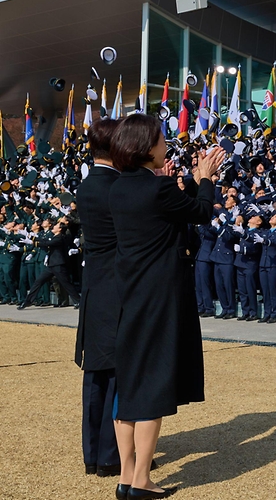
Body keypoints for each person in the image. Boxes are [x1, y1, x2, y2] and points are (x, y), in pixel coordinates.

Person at [109, 113, 224, 498]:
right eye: (160, 140)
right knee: (153, 384)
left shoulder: (120, 188)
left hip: (131, 293)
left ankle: (127, 476)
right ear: (145, 146)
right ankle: (142, 479)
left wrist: (184, 183)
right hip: (160, 296)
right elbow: (201, 213)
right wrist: (205, 177)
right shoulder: (157, 190)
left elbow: (169, 209)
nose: (166, 145)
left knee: (128, 384)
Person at [74, 118, 122, 478]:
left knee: (97, 375)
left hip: (95, 286)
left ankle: (94, 453)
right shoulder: (118, 187)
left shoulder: (88, 184)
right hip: (117, 288)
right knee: (118, 373)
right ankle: (111, 455)